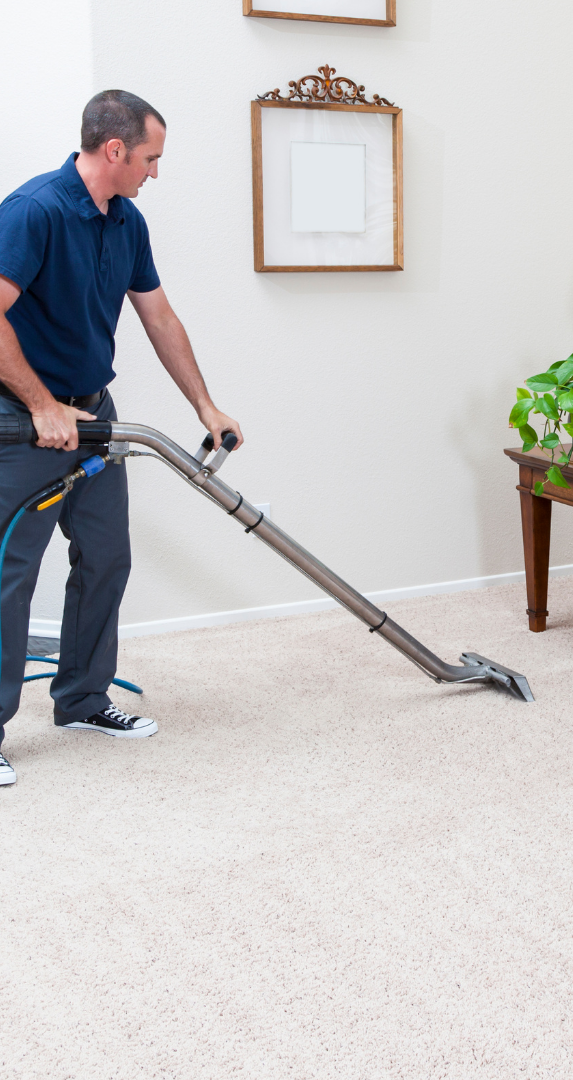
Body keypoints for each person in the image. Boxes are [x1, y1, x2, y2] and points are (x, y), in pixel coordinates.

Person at [0, 90, 242, 786]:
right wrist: (41, 404)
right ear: (114, 151)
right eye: (150, 158)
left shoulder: (126, 221)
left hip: (93, 416)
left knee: (106, 557)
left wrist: (205, 405)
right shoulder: (35, 211)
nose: (154, 173)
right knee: (9, 578)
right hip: (24, 423)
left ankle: (80, 699)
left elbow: (158, 316)